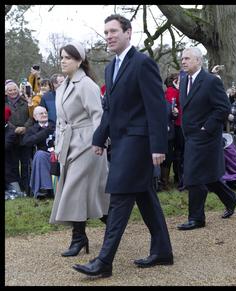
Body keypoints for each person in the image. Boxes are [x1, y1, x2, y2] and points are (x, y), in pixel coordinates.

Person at [72, 14, 173, 278]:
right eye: (106, 32)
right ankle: (162, 251)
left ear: (128, 33)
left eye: (114, 31)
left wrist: (158, 146)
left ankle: (104, 261)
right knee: (145, 197)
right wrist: (98, 138)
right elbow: (110, 109)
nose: (109, 36)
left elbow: (157, 108)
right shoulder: (110, 67)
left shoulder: (143, 63)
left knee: (118, 198)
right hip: (120, 142)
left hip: (138, 144)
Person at [49, 41, 110, 257]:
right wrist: (57, 146)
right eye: (62, 57)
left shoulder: (87, 85)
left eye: (67, 57)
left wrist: (99, 142)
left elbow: (98, 117)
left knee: (75, 190)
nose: (63, 61)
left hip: (88, 144)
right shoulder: (63, 86)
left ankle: (80, 237)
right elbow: (60, 121)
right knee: (87, 193)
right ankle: (106, 227)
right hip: (69, 144)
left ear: (79, 60)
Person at [176, 46, 236, 231]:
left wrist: (206, 128)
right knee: (208, 175)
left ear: (198, 61)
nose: (183, 61)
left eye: (187, 58)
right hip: (189, 135)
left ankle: (196, 218)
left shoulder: (211, 81)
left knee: (192, 175)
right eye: (182, 58)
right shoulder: (183, 79)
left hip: (205, 136)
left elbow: (223, 108)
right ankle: (231, 198)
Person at [5, 80, 34, 195]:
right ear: (6, 92)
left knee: (26, 163)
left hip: (26, 136)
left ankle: (27, 187)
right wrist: (14, 129)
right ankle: (18, 189)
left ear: (18, 90)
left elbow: (32, 116)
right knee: (14, 163)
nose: (12, 92)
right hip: (10, 137)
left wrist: (25, 127)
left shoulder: (25, 100)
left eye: (14, 89)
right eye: (10, 90)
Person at [22, 106, 56, 199]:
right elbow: (26, 142)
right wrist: (45, 132)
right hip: (43, 155)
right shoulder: (32, 129)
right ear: (35, 117)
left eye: (45, 113)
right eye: (41, 113)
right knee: (40, 155)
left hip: (59, 152)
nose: (44, 115)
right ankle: (45, 189)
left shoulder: (55, 125)